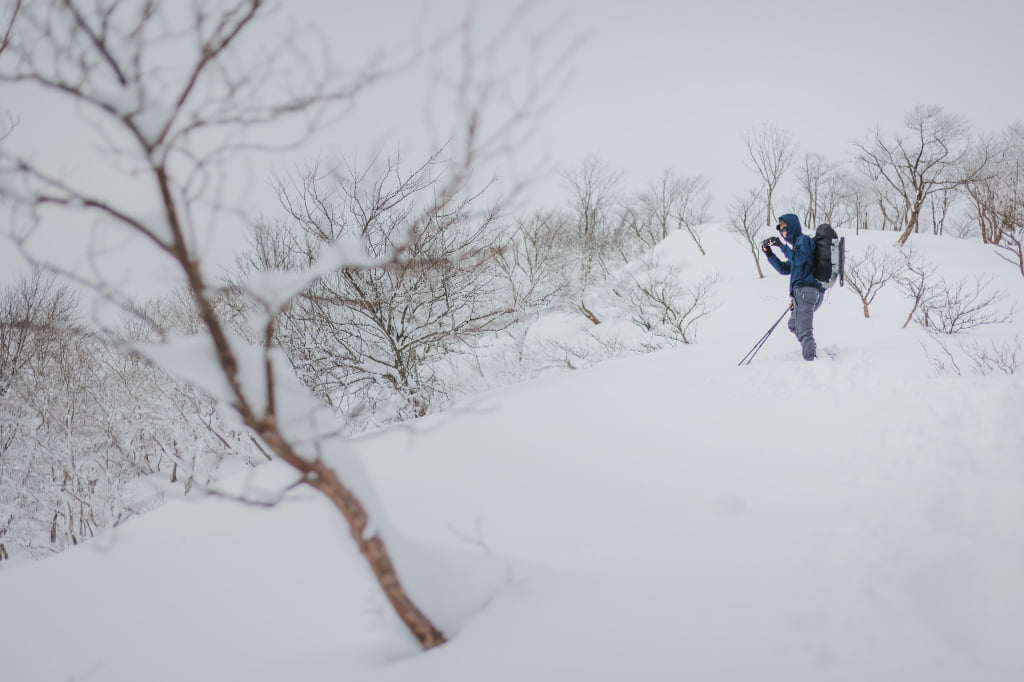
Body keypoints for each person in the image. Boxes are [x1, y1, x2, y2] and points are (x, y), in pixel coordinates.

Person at [761, 213, 824, 361]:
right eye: (780, 230)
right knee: (793, 324)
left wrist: (781, 246)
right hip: (801, 293)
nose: (783, 232)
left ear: (792, 226)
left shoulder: (804, 240)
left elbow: (799, 259)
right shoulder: (797, 247)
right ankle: (812, 354)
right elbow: (785, 269)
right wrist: (769, 254)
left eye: (784, 228)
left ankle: (811, 360)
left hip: (806, 291)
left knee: (804, 330)